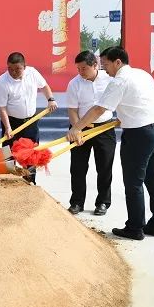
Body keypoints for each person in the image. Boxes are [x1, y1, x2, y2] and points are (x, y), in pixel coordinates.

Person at [68, 46, 154, 240]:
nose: (105, 69)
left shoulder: (119, 80)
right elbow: (137, 102)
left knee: (133, 183)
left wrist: (76, 128)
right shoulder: (143, 74)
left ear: (118, 62)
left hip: (138, 135)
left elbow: (99, 109)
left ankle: (135, 228)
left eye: (105, 65)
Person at [65, 50, 116, 216]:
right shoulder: (74, 83)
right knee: (77, 168)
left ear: (95, 65)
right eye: (78, 69)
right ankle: (77, 202)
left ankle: (103, 202)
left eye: (84, 68)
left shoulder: (109, 79)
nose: (80, 72)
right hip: (80, 128)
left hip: (104, 128)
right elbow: (72, 110)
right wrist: (77, 130)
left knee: (105, 167)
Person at [0, 51, 58, 184]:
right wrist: (8, 127)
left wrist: (51, 99)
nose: (13, 72)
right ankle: (8, 181)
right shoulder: (2, 82)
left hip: (31, 121)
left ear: (25, 66)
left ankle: (30, 181)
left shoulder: (32, 73)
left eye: (17, 69)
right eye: (10, 69)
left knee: (31, 153)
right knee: (8, 153)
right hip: (12, 122)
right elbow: (1, 107)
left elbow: (44, 86)